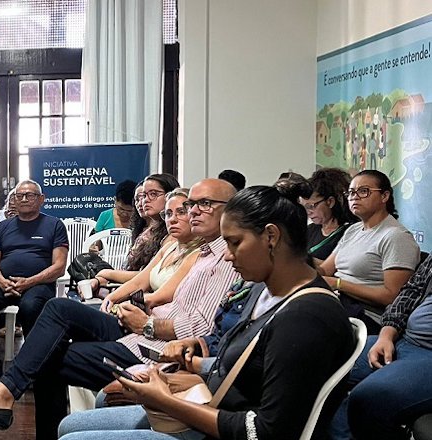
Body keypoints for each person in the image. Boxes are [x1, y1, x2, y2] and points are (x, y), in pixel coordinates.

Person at [0, 178, 239, 439]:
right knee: (52, 311)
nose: (191, 212)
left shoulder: (224, 257)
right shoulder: (199, 251)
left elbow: (195, 325)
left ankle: (3, 395)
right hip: (139, 329)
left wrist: (143, 320)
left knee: (44, 332)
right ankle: (0, 390)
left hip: (150, 343)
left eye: (203, 204)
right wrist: (115, 296)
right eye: (189, 206)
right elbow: (151, 285)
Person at [53, 184, 355, 440]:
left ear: (271, 237)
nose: (227, 253)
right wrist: (194, 354)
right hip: (213, 403)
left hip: (220, 425)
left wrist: (165, 401)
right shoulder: (265, 289)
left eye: (235, 242)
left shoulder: (306, 318)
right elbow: (243, 362)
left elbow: (264, 431)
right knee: (70, 425)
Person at [0, 180, 70, 387]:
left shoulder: (54, 225)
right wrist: (2, 281)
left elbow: (59, 266)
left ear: (41, 199)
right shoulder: (3, 227)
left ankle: (32, 368)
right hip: (5, 284)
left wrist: (29, 282)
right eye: (18, 195)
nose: (23, 199)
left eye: (29, 195)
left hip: (38, 284)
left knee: (31, 307)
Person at [332, 255, 432, 440]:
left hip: (427, 353)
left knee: (367, 398)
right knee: (324, 359)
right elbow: (411, 292)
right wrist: (387, 334)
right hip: (403, 338)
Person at [319, 170, 419, 326]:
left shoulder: (396, 236)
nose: (354, 197)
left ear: (384, 196)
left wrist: (338, 284)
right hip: (335, 300)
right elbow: (325, 270)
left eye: (363, 191)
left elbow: (393, 296)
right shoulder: (353, 230)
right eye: (351, 192)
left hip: (365, 315)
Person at [97, 188, 202, 311]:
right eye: (168, 214)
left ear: (194, 215)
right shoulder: (168, 248)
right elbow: (139, 282)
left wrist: (120, 306)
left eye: (181, 212)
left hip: (159, 319)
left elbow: (160, 297)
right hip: (144, 310)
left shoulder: (198, 253)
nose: (172, 219)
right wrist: (110, 299)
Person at [88, 174, 181, 294]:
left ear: (170, 196)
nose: (144, 201)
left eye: (153, 194)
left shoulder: (172, 236)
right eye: (142, 196)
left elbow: (146, 276)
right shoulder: (145, 229)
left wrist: (107, 273)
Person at [301, 168, 357, 264]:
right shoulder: (309, 230)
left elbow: (341, 267)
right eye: (304, 207)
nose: (308, 212)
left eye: (311, 206)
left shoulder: (351, 232)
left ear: (330, 202)